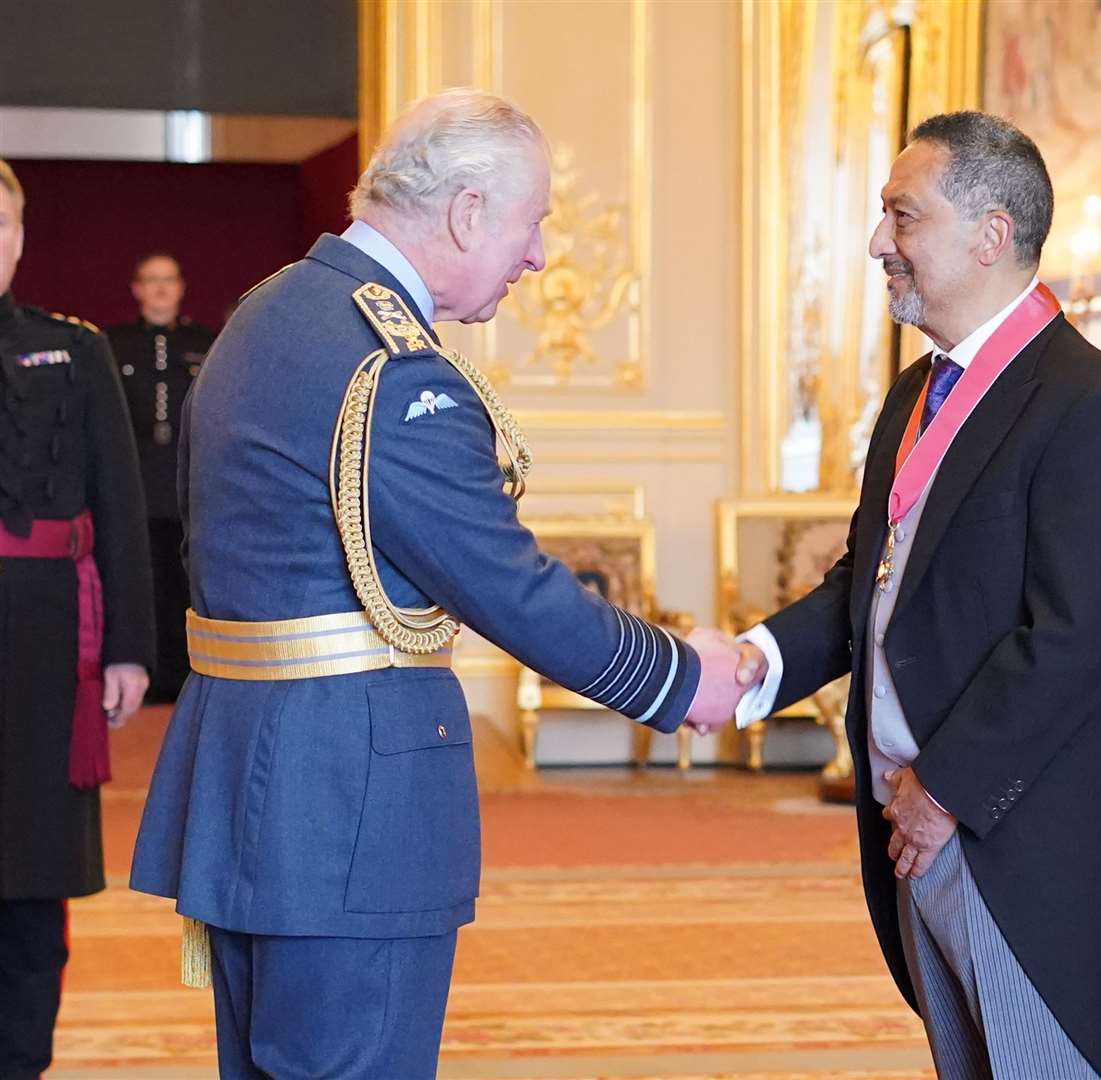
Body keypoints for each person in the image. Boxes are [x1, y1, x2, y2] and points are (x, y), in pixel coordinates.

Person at [129, 89, 750, 1079]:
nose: (539, 254)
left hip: (249, 781)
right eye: (532, 221)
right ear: (466, 211)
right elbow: (504, 584)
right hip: (349, 803)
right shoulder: (391, 366)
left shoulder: (267, 313)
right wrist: (679, 676)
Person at [735, 112, 1101, 1079]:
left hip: (1008, 829)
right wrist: (752, 665)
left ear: (990, 234)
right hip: (913, 819)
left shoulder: (1088, 401)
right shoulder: (913, 395)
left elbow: (1077, 636)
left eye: (901, 216)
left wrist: (943, 791)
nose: (879, 242)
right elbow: (868, 587)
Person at [0, 159, 154, 1080]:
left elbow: (121, 503)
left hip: (51, 642)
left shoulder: (76, 348)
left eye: (7, 226)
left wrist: (130, 647)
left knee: (33, 873)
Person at [108, 254, 216, 701]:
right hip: (134, 482)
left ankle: (186, 674)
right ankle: (145, 671)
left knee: (187, 580)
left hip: (187, 482)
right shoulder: (113, 343)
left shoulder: (204, 341)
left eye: (167, 281)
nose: (159, 290)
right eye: (150, 281)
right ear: (136, 288)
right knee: (142, 579)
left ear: (181, 287)